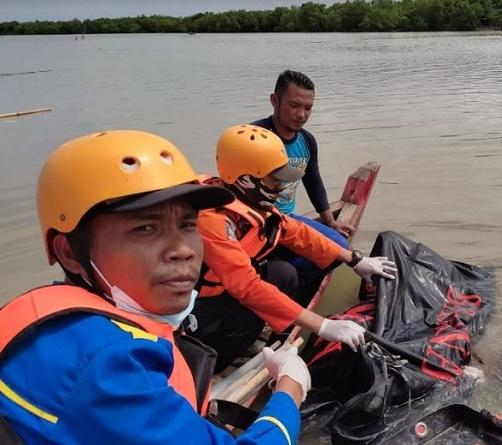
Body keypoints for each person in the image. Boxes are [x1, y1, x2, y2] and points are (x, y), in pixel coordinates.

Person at [0, 130, 310, 444]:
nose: (183, 249)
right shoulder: (108, 366)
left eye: (188, 224)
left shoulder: (51, 314)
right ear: (69, 252)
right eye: (146, 228)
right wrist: (290, 388)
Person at [194, 124, 397, 371]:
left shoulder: (248, 201)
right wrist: (322, 325)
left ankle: (272, 334)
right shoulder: (212, 221)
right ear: (246, 180)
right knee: (250, 315)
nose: (280, 187)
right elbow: (246, 286)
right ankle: (214, 364)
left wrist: (353, 259)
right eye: (274, 180)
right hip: (195, 311)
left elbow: (296, 232)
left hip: (225, 293)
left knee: (284, 274)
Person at [250, 70, 353, 244]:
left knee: (339, 243)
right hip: (257, 224)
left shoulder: (307, 141)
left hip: (288, 220)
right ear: (275, 101)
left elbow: (313, 183)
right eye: (294, 106)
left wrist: (331, 222)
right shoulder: (253, 138)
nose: (301, 115)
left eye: (308, 108)